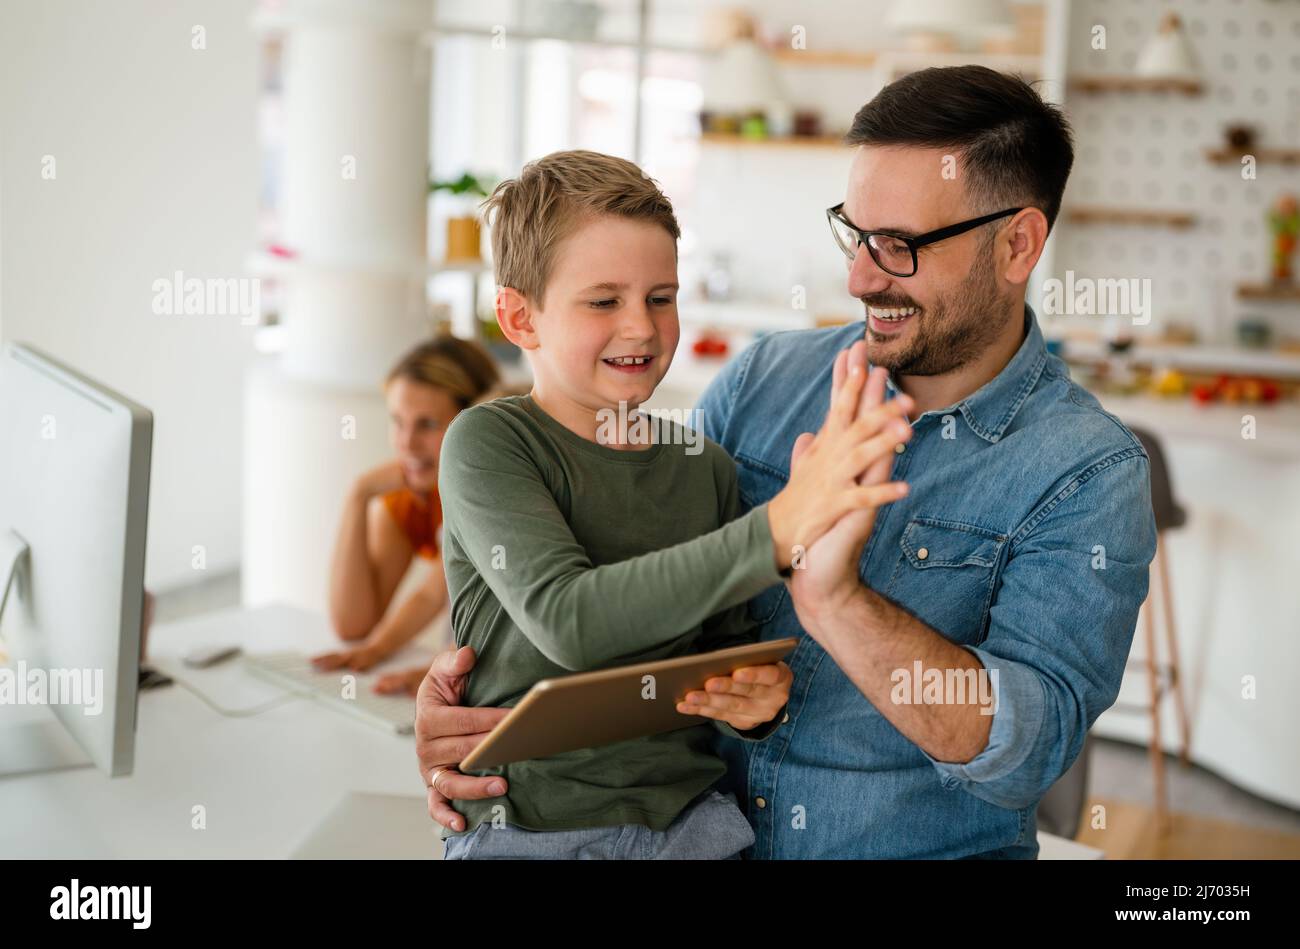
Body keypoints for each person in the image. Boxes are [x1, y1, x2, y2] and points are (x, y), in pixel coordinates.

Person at [415, 66, 1158, 859]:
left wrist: (836, 600)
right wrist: (494, 693)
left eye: (901, 245)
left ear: (1018, 245)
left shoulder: (1088, 471)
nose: (860, 276)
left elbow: (1028, 750)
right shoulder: (764, 380)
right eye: (856, 232)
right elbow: (629, 583)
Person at [430, 149, 912, 859]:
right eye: (604, 300)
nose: (642, 327)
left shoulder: (702, 466)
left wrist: (757, 700)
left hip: (689, 829)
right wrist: (775, 529)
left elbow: (721, 651)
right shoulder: (489, 443)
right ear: (518, 316)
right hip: (527, 828)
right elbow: (570, 620)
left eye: (662, 296)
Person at [314, 336, 499, 695]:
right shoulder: (414, 498)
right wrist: (358, 495)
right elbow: (355, 623)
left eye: (427, 424)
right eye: (398, 421)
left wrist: (433, 671)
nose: (407, 444)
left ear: (476, 423)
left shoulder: (499, 494)